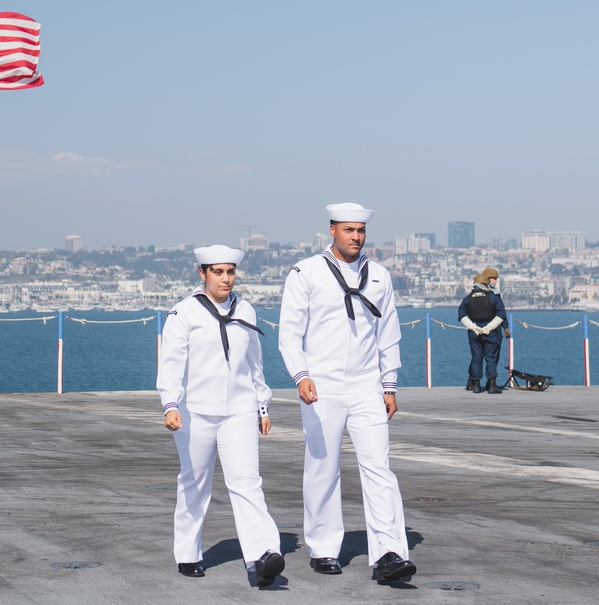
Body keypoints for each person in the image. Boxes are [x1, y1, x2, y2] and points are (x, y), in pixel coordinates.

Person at [278, 202, 416, 584]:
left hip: (366, 385)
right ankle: (323, 548)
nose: (356, 237)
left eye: (361, 231)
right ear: (332, 230)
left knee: (379, 468)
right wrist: (300, 375)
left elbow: (389, 334)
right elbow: (289, 333)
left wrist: (389, 384)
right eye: (349, 230)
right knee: (322, 468)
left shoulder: (380, 276)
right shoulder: (305, 272)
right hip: (321, 387)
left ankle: (389, 553)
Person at [157, 244, 285, 588]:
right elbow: (170, 364)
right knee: (195, 484)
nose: (226, 278)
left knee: (247, 483)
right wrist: (170, 404)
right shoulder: (184, 313)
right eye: (218, 272)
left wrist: (262, 405)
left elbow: (254, 363)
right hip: (194, 413)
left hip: (238, 411)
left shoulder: (246, 310)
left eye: (230, 272)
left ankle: (262, 555)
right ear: (202, 274)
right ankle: (187, 553)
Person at [458, 267, 509, 394]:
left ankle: (475, 384)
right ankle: (491, 385)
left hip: (474, 332)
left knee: (476, 358)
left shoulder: (468, 298)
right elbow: (501, 314)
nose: (496, 281)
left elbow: (461, 315)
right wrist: (490, 328)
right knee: (491, 358)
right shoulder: (493, 297)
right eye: (494, 278)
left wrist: (473, 327)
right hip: (491, 333)